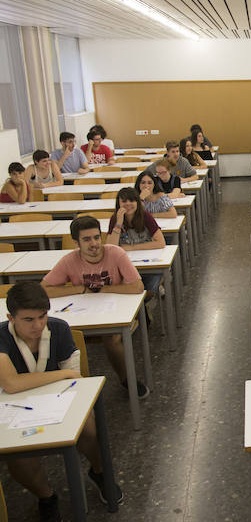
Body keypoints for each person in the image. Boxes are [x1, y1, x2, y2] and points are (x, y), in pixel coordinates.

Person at [0, 281, 124, 519]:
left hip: (59, 400)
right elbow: (10, 384)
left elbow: (75, 381)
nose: (37, 325)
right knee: (17, 457)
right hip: (14, 408)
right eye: (28, 320)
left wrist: (65, 376)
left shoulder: (58, 329)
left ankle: (98, 471)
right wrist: (62, 373)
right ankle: (46, 495)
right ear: (10, 317)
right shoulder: (1, 336)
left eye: (42, 316)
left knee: (88, 427)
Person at [41, 216, 149, 397]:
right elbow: (44, 289)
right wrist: (81, 289)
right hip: (83, 313)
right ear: (76, 242)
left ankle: (126, 379)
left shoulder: (115, 253)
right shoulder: (69, 260)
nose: (94, 243)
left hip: (115, 312)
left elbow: (138, 287)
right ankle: (71, 388)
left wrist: (105, 288)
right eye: (87, 239)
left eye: (96, 237)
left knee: (112, 338)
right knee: (60, 334)